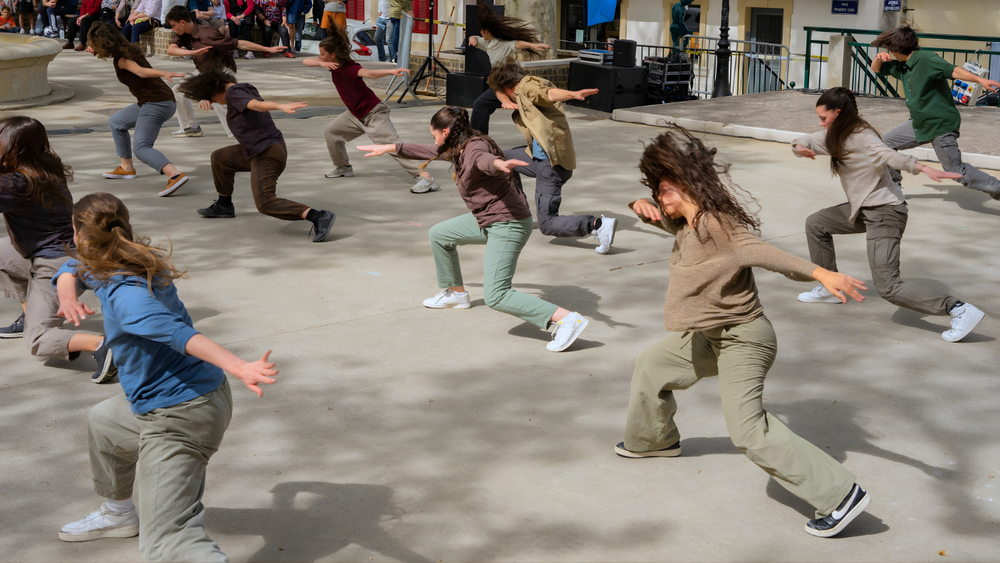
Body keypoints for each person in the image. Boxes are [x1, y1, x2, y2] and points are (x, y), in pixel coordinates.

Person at [619, 128, 872, 538]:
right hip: (708, 335)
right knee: (652, 365)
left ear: (685, 186)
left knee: (748, 430)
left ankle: (841, 495)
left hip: (744, 338)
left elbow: (763, 252)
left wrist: (821, 272)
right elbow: (657, 213)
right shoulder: (686, 222)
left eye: (663, 191)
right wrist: (638, 203)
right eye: (656, 191)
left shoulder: (718, 226)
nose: (659, 199)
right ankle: (653, 440)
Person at [53, 192, 278, 562]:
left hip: (181, 415)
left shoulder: (127, 296)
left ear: (79, 234)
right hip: (177, 398)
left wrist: (238, 366)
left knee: (169, 543)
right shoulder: (113, 257)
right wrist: (66, 294)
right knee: (105, 422)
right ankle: (119, 513)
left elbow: (178, 333)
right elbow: (72, 268)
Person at [359, 107, 591, 352]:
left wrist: (499, 163)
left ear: (446, 131)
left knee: (497, 295)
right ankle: (456, 294)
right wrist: (391, 148)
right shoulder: (458, 147)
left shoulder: (474, 148)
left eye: (434, 135)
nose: (434, 140)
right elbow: (432, 151)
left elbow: (483, 160)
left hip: (508, 223)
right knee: (439, 234)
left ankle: (566, 320)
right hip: (487, 218)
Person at [791, 87, 985, 341]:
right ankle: (830, 286)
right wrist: (799, 146)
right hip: (864, 210)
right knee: (816, 224)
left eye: (824, 118)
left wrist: (924, 168)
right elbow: (806, 139)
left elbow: (889, 155)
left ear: (838, 113)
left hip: (886, 213)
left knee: (888, 287)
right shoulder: (836, 134)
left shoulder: (863, 136)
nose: (821, 122)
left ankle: (958, 309)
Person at [0, 116, 114, 382]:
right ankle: (30, 314)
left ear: (15, 148)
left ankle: (103, 346)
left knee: (38, 341)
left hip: (54, 263)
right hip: (68, 251)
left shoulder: (16, 183)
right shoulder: (45, 165)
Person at [177, 70, 337, 242]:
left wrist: (280, 106)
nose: (218, 103)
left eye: (215, 100)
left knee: (265, 202)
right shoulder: (241, 88)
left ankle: (318, 216)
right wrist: (208, 96)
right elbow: (243, 99)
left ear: (216, 91)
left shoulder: (233, 93)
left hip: (266, 154)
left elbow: (254, 105)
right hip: (257, 149)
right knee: (220, 158)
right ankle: (224, 205)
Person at [487, 59, 618, 255]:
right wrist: (504, 98)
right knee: (501, 159)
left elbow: (546, 94)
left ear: (508, 87)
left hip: (551, 166)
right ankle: (518, 212)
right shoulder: (522, 84)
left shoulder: (527, 87)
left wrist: (572, 94)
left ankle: (597, 224)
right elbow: (502, 91)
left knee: (547, 224)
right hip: (537, 159)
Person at [870, 25, 1000, 200]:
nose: (890, 53)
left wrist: (979, 79)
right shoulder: (902, 66)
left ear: (896, 49)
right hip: (919, 123)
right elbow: (876, 69)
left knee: (955, 170)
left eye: (890, 50)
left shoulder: (926, 58)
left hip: (940, 124)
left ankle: (997, 188)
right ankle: (894, 188)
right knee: (884, 144)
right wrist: (879, 57)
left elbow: (953, 70)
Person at [304, 29, 440, 194]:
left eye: (322, 55)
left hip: (373, 113)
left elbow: (369, 73)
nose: (319, 57)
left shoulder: (350, 68)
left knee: (393, 146)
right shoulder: (332, 66)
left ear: (333, 55)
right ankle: (343, 167)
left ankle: (426, 178)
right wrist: (321, 63)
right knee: (331, 133)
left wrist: (390, 71)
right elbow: (306, 62)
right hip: (354, 115)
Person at [87, 22, 191, 197]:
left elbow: (141, 72)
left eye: (93, 44)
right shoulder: (127, 50)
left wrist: (164, 72)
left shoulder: (122, 59)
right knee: (117, 121)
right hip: (156, 101)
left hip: (156, 103)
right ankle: (127, 168)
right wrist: (94, 48)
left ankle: (174, 174)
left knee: (142, 147)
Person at [164, 5, 284, 138]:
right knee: (179, 90)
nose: (173, 29)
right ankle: (190, 127)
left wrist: (267, 49)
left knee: (218, 98)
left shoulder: (208, 34)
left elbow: (238, 44)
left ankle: (237, 135)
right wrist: (192, 52)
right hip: (205, 71)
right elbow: (171, 50)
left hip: (223, 70)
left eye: (174, 25)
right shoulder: (184, 34)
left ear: (182, 22)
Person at [467, 1, 549, 135]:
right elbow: (475, 37)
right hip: (498, 83)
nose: (480, 34)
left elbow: (517, 44)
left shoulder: (502, 43)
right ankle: (478, 138)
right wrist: (472, 38)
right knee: (480, 105)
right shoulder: (488, 43)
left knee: (526, 107)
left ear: (487, 31)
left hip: (512, 80)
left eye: (482, 32)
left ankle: (542, 136)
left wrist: (533, 46)